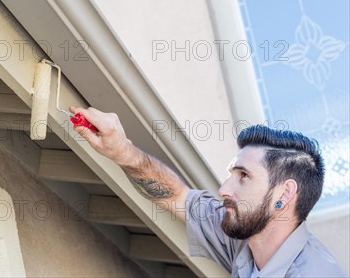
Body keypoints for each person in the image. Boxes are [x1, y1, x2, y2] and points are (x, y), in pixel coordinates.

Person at [70, 106, 347, 278]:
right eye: (231, 174)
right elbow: (176, 195)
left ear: (284, 195)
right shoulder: (242, 239)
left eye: (244, 177)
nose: (224, 189)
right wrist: (123, 152)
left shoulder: (315, 274)